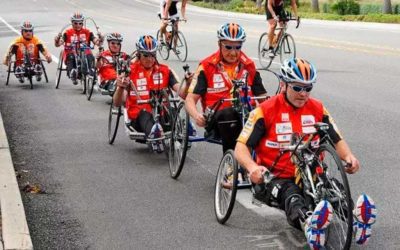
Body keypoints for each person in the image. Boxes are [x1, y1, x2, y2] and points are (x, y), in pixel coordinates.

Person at [234, 58, 377, 249]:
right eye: (297, 88)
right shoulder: (265, 110)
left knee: (331, 188)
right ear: (284, 84)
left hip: (311, 172)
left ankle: (356, 217)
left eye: (308, 88)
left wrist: (349, 157)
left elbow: (336, 138)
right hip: (278, 176)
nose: (303, 94)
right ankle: (310, 225)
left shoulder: (318, 108)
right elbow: (240, 147)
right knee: (292, 196)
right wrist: (252, 168)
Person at [185, 23, 267, 153]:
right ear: (219, 44)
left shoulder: (249, 65)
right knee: (229, 114)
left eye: (237, 47)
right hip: (217, 117)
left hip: (247, 114)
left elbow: (263, 97)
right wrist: (196, 116)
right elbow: (190, 100)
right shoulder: (206, 66)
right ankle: (230, 164)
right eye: (228, 47)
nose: (233, 53)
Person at [113, 35, 191, 152]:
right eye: (146, 55)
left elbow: (183, 94)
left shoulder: (164, 71)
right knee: (145, 113)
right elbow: (118, 102)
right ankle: (155, 137)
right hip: (139, 118)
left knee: (174, 110)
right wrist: (120, 87)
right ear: (139, 54)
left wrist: (189, 83)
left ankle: (182, 131)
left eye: (152, 55)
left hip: (162, 115)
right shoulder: (130, 72)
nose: (149, 59)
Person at [54, 12, 103, 85]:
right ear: (72, 23)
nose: (78, 25)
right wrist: (57, 40)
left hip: (85, 51)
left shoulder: (87, 32)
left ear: (82, 23)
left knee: (90, 56)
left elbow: (97, 42)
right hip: (71, 51)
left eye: (80, 23)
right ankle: (72, 73)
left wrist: (100, 39)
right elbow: (58, 44)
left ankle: (92, 72)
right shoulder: (67, 33)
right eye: (75, 23)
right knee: (71, 57)